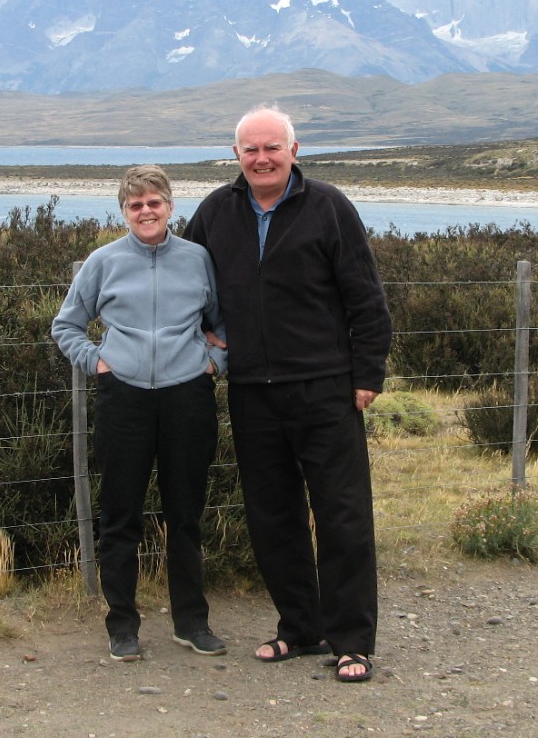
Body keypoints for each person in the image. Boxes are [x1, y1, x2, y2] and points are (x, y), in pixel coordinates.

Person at [183, 106, 392, 683]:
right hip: (252, 391)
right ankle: (300, 628)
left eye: (272, 147)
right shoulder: (215, 212)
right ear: (236, 157)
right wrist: (197, 336)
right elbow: (183, 277)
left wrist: (366, 374)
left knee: (342, 515)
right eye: (251, 149)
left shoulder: (329, 207)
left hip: (325, 389)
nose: (262, 158)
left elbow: (365, 298)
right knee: (273, 517)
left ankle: (352, 640)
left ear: (295, 151)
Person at [52, 164, 228, 663]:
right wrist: (98, 362)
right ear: (124, 212)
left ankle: (192, 624)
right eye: (135, 205)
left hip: (187, 397)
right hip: (124, 397)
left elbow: (223, 323)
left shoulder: (198, 260)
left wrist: (213, 364)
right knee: (121, 515)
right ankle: (122, 625)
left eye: (154, 202)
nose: (146, 211)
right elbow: (66, 326)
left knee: (186, 514)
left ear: (170, 207)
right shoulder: (103, 262)